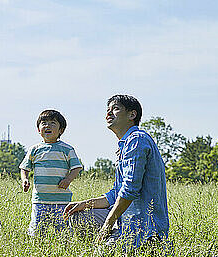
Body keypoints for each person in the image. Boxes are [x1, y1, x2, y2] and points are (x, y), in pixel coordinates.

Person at [63, 94, 169, 248]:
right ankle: (108, 243)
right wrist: (84, 204)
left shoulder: (137, 140)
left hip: (143, 226)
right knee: (79, 216)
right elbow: (115, 194)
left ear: (132, 114)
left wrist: (107, 225)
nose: (108, 113)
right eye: (108, 110)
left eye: (116, 109)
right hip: (125, 220)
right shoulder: (125, 144)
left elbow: (130, 189)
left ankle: (146, 247)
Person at [19, 109, 83, 236]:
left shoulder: (67, 149)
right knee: (37, 231)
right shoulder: (35, 149)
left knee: (63, 232)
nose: (47, 126)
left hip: (62, 200)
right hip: (40, 200)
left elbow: (76, 167)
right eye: (43, 123)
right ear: (38, 130)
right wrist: (25, 179)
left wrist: (68, 179)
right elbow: (24, 168)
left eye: (53, 123)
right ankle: (37, 251)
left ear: (61, 130)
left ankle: (64, 251)